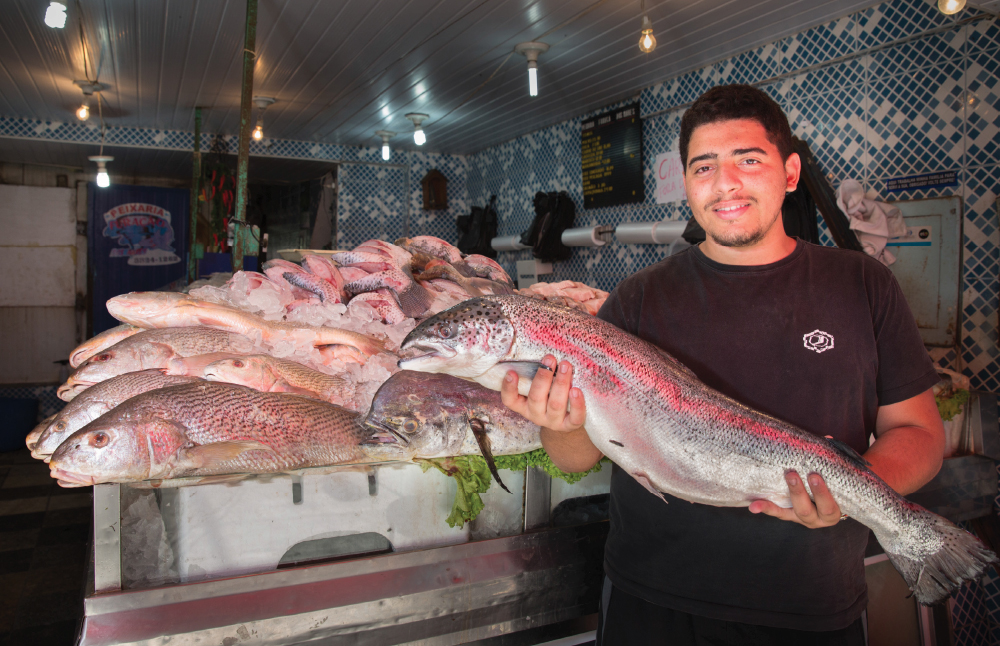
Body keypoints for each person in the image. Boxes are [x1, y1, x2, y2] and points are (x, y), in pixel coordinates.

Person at [500, 84, 944, 645]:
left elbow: (920, 434)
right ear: (686, 183)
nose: (724, 183)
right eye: (703, 166)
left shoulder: (862, 284)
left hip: (811, 606)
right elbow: (576, 457)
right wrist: (557, 424)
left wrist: (855, 492)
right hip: (651, 601)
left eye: (748, 160)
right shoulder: (637, 299)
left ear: (789, 173)